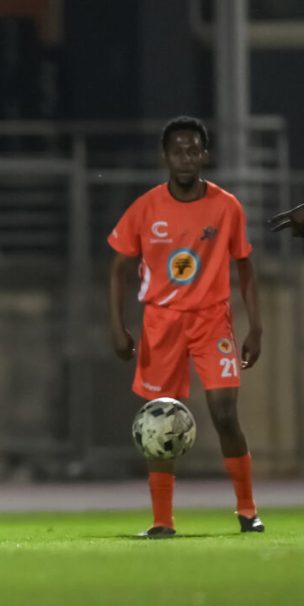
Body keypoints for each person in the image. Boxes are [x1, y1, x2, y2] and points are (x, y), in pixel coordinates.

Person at [107, 116, 264, 538]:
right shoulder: (146, 207)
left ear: (205, 155)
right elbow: (119, 266)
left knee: (224, 414)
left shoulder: (226, 206)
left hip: (212, 320)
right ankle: (162, 520)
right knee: (159, 419)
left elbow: (245, 266)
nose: (186, 157)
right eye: (178, 150)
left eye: (194, 150)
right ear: (165, 156)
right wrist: (118, 325)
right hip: (162, 323)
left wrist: (256, 328)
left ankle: (248, 510)